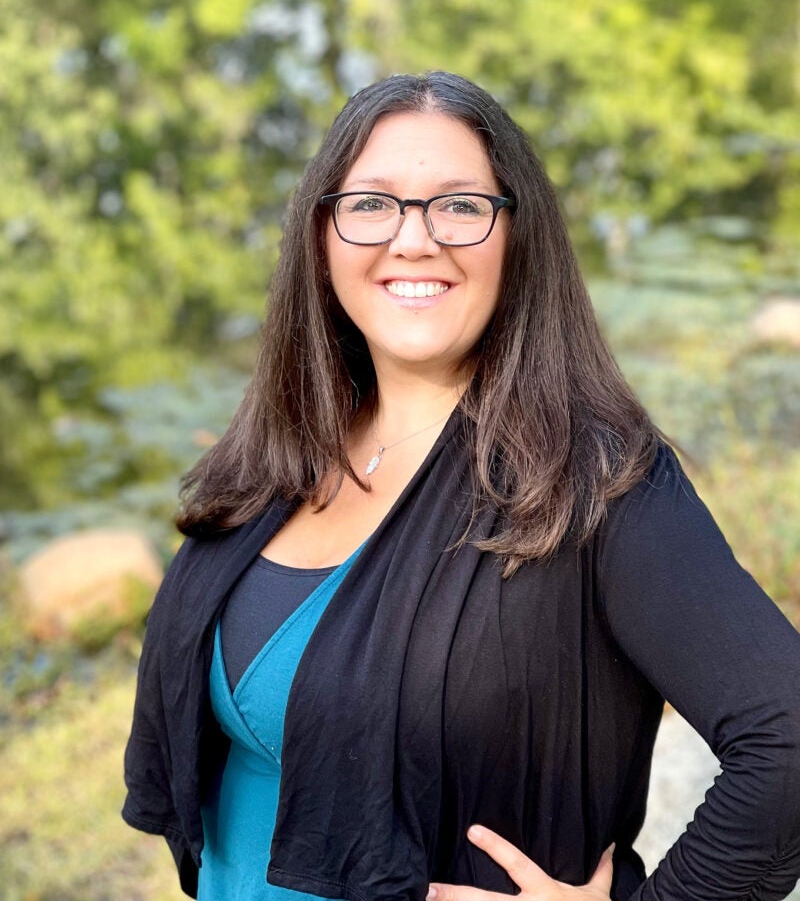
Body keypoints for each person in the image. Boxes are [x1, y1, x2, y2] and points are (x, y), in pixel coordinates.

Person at [122, 71, 800, 901]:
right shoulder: (280, 454)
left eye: (460, 205)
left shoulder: (593, 483)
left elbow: (788, 740)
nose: (414, 239)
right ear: (321, 234)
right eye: (372, 203)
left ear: (518, 235)